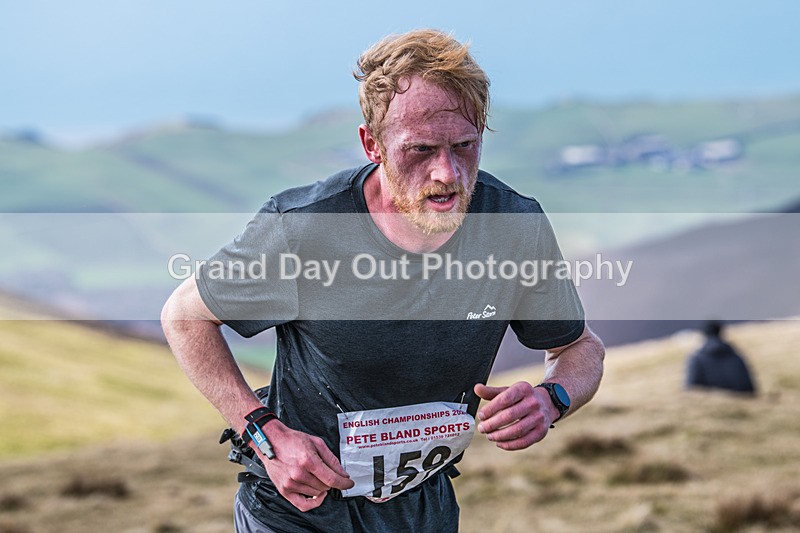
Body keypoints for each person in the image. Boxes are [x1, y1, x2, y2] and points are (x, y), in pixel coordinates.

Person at [161, 29, 605, 532]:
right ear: (372, 144)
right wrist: (264, 435)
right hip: (299, 510)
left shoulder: (513, 225)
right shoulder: (305, 228)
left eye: (464, 145)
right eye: (421, 150)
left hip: (422, 507)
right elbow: (184, 316)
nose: (447, 173)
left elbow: (579, 348)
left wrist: (552, 400)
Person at [685, 321, 756, 394]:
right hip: (739, 399)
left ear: (704, 334)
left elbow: (692, 389)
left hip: (708, 400)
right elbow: (750, 389)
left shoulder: (697, 359)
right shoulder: (736, 357)